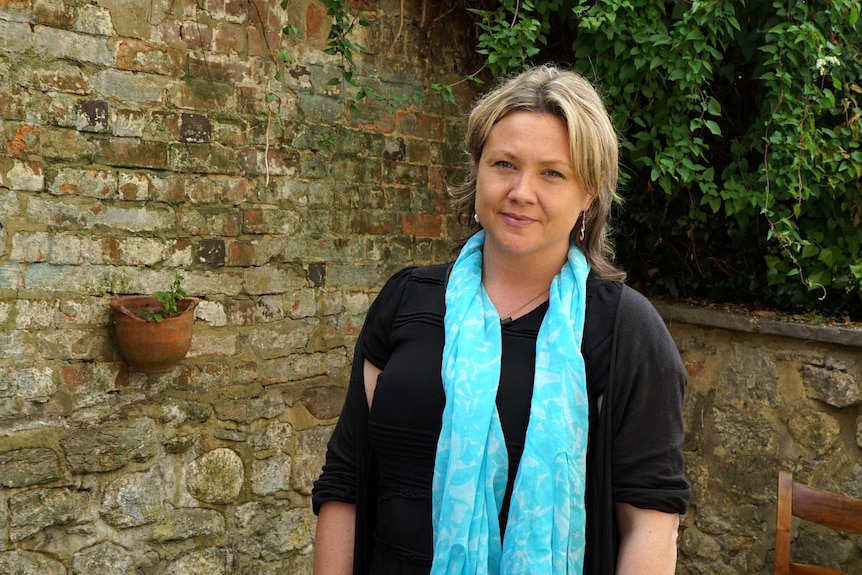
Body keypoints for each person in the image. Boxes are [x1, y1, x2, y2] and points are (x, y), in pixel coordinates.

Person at [311, 64, 690, 575]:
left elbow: (651, 523)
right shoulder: (406, 302)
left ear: (590, 194)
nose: (521, 191)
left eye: (552, 173)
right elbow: (344, 483)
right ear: (478, 169)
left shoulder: (624, 333)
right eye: (505, 164)